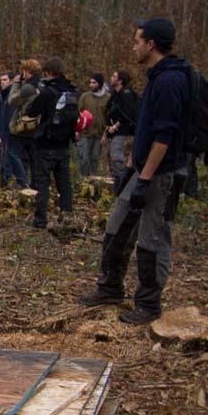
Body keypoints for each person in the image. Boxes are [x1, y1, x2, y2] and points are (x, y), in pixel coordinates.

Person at [81, 17, 189, 325]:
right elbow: (143, 132)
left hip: (161, 174)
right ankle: (110, 288)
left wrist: (144, 179)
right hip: (142, 170)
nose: (134, 45)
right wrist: (130, 170)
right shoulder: (156, 77)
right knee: (116, 229)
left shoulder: (172, 81)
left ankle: (148, 304)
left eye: (137, 40)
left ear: (151, 44)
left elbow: (164, 137)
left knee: (151, 240)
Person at [27, 57, 78, 229]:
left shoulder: (48, 93)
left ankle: (40, 219)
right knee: (64, 184)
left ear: (48, 73)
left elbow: (31, 111)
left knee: (42, 183)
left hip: (45, 146)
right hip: (64, 146)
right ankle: (66, 217)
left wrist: (38, 96)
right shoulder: (72, 92)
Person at [1, 59, 41, 188]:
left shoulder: (28, 87)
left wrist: (16, 84)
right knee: (32, 158)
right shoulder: (40, 84)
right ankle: (35, 184)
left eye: (23, 71)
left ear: (27, 71)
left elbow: (12, 101)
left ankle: (22, 181)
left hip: (23, 127)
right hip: (35, 129)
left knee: (13, 153)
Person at [104, 69, 139, 193]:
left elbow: (128, 114)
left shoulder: (126, 94)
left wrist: (116, 126)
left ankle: (123, 188)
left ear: (120, 80)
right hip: (115, 133)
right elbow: (109, 112)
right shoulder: (115, 94)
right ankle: (117, 187)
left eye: (114, 76)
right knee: (112, 160)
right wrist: (107, 132)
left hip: (125, 133)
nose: (111, 78)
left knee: (118, 160)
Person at [76, 72, 109, 178]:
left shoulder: (107, 98)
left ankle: (93, 182)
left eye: (94, 82)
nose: (91, 85)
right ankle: (82, 181)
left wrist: (106, 133)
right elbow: (78, 113)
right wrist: (76, 130)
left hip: (99, 134)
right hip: (85, 132)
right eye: (90, 82)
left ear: (99, 84)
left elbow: (109, 117)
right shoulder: (85, 97)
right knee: (83, 158)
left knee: (95, 159)